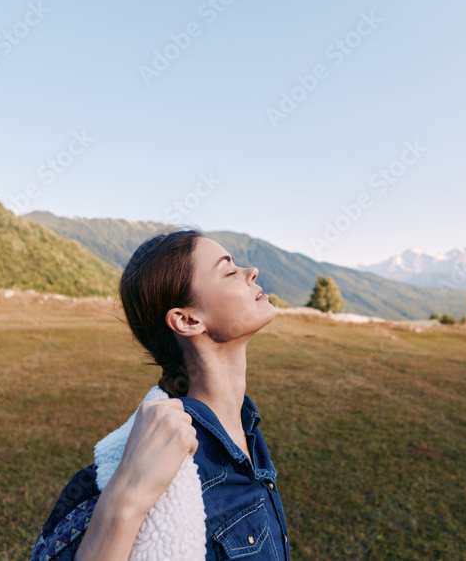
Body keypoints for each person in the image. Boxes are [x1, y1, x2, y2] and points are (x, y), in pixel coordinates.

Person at [29, 228, 290, 561]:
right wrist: (126, 498)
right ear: (187, 320)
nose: (250, 272)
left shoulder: (246, 428)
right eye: (228, 270)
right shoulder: (162, 460)